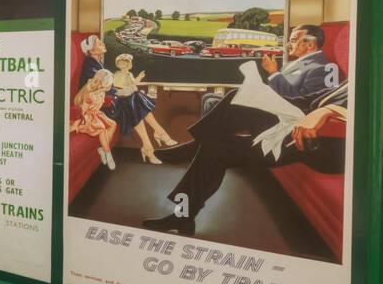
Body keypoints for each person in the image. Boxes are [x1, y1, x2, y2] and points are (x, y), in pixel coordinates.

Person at [144, 83, 348, 237]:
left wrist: (327, 111)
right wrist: (270, 96)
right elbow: (311, 101)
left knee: (214, 146)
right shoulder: (348, 82)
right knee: (240, 97)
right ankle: (183, 217)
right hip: (301, 124)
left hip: (325, 144)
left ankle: (194, 149)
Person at [78, 34, 176, 161]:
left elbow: (107, 87)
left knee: (134, 100)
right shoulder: (90, 65)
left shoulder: (96, 63)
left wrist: (122, 91)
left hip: (104, 100)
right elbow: (98, 88)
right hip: (98, 106)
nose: (103, 43)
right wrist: (120, 92)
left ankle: (149, 145)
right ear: (91, 50)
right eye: (98, 43)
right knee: (133, 99)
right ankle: (157, 136)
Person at [71, 68, 118, 170]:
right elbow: (83, 111)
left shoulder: (101, 92)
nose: (107, 87)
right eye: (106, 84)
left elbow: (99, 104)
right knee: (101, 129)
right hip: (88, 117)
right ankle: (108, 154)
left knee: (113, 124)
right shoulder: (90, 93)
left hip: (96, 114)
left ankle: (103, 149)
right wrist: (77, 123)